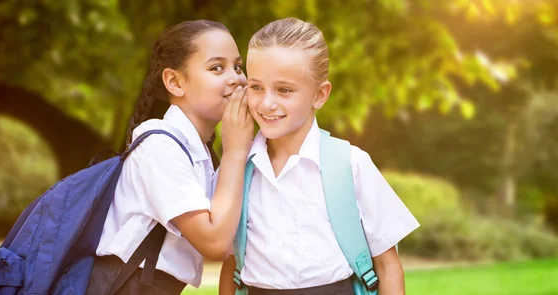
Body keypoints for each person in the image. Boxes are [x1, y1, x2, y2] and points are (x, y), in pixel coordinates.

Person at [219, 17, 419, 295]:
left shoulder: (351, 164)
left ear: (320, 95)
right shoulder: (238, 169)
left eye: (284, 90)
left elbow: (387, 266)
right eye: (255, 87)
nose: (266, 103)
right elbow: (232, 264)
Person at [86, 20, 254, 295]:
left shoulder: (197, 153)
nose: (237, 78)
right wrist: (236, 150)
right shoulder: (159, 147)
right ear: (175, 82)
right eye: (216, 68)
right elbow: (215, 244)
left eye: (237, 66)